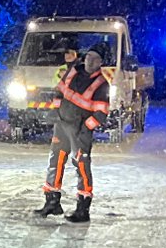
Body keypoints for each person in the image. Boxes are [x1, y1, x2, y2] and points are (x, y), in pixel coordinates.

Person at [36, 47, 111, 222]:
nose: (91, 61)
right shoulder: (72, 72)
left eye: (96, 58)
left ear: (101, 63)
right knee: (56, 160)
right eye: (90, 57)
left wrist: (85, 128)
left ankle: (83, 209)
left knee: (82, 165)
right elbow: (59, 91)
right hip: (62, 125)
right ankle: (52, 202)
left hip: (79, 131)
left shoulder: (101, 84)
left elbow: (101, 113)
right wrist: (56, 111)